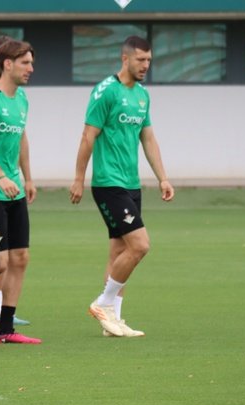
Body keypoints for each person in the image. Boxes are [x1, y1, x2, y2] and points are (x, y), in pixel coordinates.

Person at [69, 36, 175, 338]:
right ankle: (102, 304)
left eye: (149, 61)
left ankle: (111, 321)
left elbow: (149, 139)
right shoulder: (106, 92)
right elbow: (88, 136)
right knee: (140, 245)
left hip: (131, 183)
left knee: (119, 250)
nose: (146, 66)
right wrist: (79, 177)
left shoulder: (142, 96)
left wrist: (162, 177)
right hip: (108, 183)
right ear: (125, 58)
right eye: (141, 60)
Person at [0, 39, 41, 344]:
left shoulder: (22, 99)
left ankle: (5, 328)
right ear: (7, 64)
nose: (31, 68)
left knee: (21, 258)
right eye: (26, 63)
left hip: (14, 192)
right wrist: (0, 176)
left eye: (31, 62)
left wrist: (27, 177)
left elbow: (22, 140)